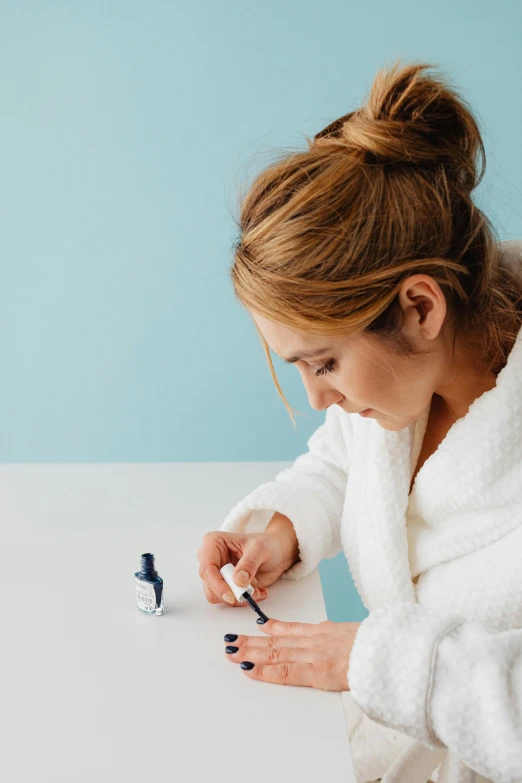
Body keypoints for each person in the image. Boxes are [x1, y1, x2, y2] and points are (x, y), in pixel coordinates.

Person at [196, 58, 522, 783]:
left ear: (419, 307)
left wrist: (375, 660)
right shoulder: (405, 386)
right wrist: (280, 529)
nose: (316, 399)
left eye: (324, 364)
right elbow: (345, 460)